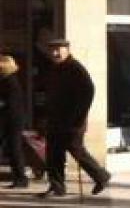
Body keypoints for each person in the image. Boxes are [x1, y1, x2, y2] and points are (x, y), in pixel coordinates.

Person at [41, 39, 111, 197]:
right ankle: (57, 186)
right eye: (52, 50)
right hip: (56, 119)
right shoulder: (55, 68)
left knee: (76, 150)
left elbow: (88, 91)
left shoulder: (75, 68)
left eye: (58, 50)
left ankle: (101, 176)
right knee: (53, 152)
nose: (55, 53)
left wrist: (78, 116)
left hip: (72, 121)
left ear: (67, 50)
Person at [0, 54, 28, 187]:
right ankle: (18, 177)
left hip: (13, 120)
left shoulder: (11, 81)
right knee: (12, 149)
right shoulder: (6, 80)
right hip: (9, 119)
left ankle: (21, 178)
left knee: (15, 149)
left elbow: (11, 102)